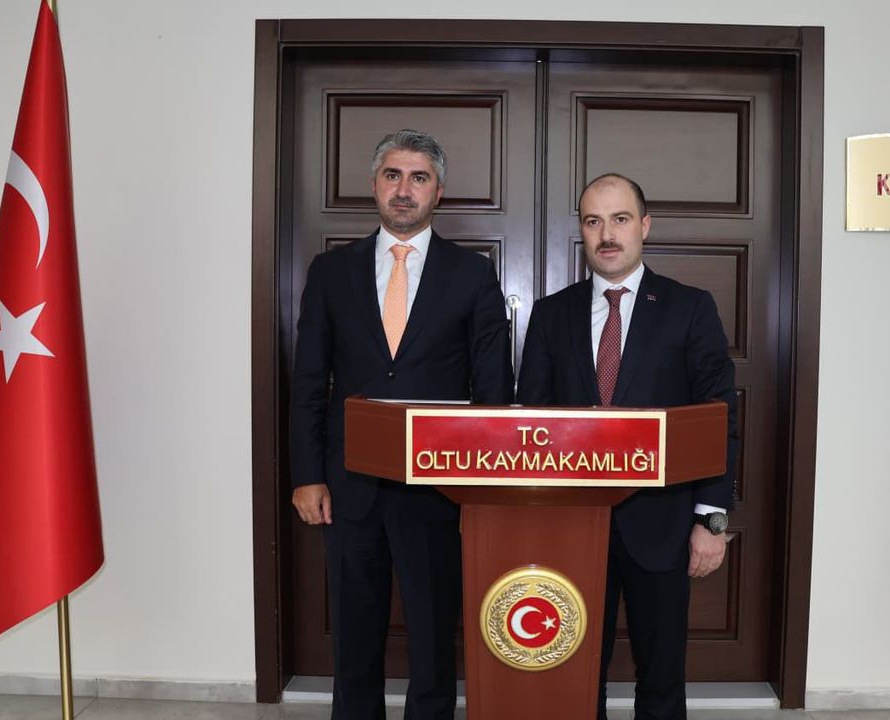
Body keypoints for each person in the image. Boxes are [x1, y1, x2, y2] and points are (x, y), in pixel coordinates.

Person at [290, 129, 513, 720]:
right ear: (374, 185)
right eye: (393, 175)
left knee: (434, 632)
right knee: (354, 628)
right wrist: (307, 475)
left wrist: (482, 486)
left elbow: (493, 390)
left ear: (438, 191)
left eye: (419, 178)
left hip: (438, 488)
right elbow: (308, 382)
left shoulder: (472, 275)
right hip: (348, 485)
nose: (404, 190)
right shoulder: (331, 271)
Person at [516, 173, 740, 720]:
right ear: (582, 231)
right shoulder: (551, 313)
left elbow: (718, 420)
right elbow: (531, 426)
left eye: (620, 219)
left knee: (661, 675)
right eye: (593, 221)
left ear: (644, 226)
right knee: (571, 668)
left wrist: (711, 522)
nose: (607, 234)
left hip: (662, 525)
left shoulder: (689, 307)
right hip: (570, 528)